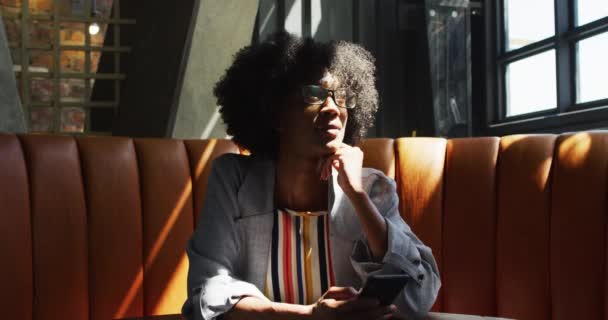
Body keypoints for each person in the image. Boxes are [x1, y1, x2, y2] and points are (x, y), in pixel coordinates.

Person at [182, 31, 441, 320]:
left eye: (342, 97)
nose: (333, 109)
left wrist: (357, 196)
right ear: (275, 113)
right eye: (314, 94)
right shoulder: (233, 179)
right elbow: (205, 296)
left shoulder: (371, 188)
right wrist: (309, 317)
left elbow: (420, 295)